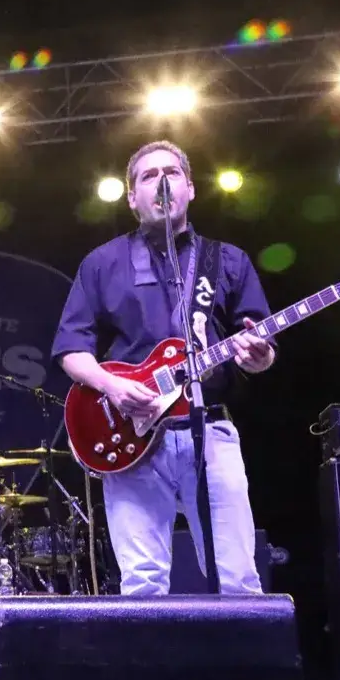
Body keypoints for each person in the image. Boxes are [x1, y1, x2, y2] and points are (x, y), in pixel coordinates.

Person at [51, 140, 273, 595]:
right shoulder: (102, 263)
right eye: (148, 176)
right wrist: (111, 386)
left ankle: (240, 667)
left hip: (209, 431)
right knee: (142, 584)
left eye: (171, 172)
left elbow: (259, 344)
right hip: (132, 437)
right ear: (131, 197)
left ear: (190, 188)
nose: (162, 182)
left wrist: (262, 356)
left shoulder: (226, 261)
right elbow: (71, 350)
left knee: (239, 580)